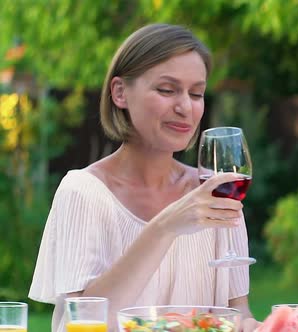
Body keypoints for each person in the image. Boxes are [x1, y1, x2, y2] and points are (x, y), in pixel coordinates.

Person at [29, 23, 258, 332]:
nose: (185, 107)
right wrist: (163, 228)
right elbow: (81, 324)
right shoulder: (84, 192)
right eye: (167, 90)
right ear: (120, 93)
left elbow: (237, 312)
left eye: (197, 93)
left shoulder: (217, 195)